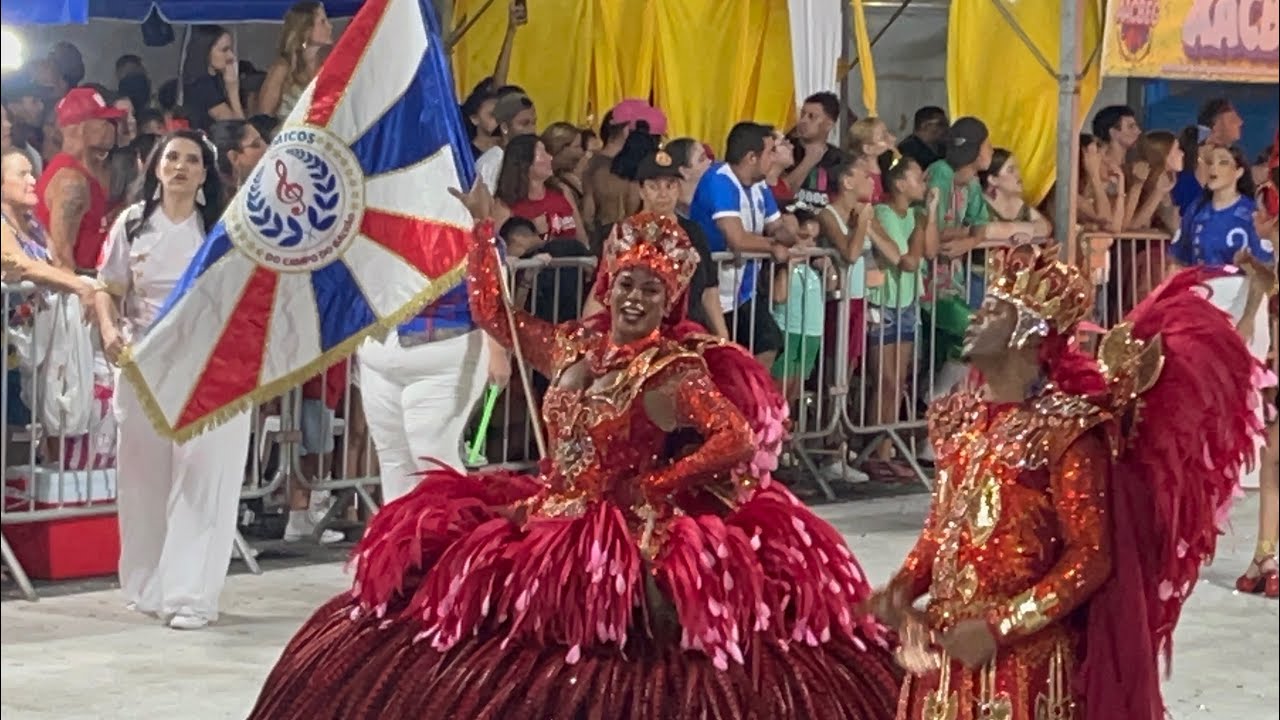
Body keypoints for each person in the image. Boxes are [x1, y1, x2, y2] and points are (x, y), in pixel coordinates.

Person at [247, 190, 902, 719]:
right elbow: (495, 313)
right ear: (609, 285)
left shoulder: (672, 373)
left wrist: (661, 485)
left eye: (652, 288)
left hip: (622, 528)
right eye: (628, 283)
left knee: (617, 639)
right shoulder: (570, 348)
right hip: (546, 508)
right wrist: (482, 238)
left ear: (669, 300)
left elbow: (734, 437)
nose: (636, 296)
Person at [867, 244, 1265, 719]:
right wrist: (903, 588)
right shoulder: (958, 417)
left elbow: (1091, 558)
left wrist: (1001, 626)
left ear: (1029, 334)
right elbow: (942, 527)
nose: (974, 316)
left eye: (993, 310)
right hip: (949, 657)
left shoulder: (1067, 431)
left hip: (1022, 664)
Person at [92, 130, 251, 631]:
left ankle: (192, 595)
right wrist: (109, 328)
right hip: (144, 365)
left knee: (203, 477)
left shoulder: (224, 228)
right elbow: (105, 286)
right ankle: (147, 582)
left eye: (192, 160)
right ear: (155, 166)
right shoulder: (132, 223)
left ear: (206, 173)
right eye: (172, 157)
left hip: (210, 366)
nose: (180, 167)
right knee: (144, 478)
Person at [582, 149, 727, 337]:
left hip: (689, 333)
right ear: (641, 190)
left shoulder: (694, 233)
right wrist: (587, 335)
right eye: (654, 186)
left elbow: (710, 292)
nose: (663, 194)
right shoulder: (622, 233)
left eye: (670, 185)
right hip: (635, 333)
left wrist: (724, 341)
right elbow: (600, 290)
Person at [689, 122, 795, 366]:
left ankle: (752, 399)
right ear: (751, 157)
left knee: (768, 343)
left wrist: (786, 234)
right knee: (720, 362)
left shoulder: (759, 185)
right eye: (770, 151)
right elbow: (736, 239)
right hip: (711, 293)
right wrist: (773, 246)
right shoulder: (719, 180)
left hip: (743, 294)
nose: (775, 157)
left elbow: (779, 227)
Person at [35, 87, 124, 272]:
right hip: (77, 285)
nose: (112, 128)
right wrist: (81, 293)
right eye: (106, 121)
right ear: (82, 127)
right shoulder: (71, 180)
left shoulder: (82, 174)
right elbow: (61, 256)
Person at [258, 1, 334, 120]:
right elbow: (263, 115)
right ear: (306, 30)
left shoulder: (328, 63)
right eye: (322, 22)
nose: (330, 26)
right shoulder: (283, 68)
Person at [781, 91, 844, 208]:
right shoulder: (785, 150)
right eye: (802, 115)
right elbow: (779, 194)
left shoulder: (840, 160)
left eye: (811, 117)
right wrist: (808, 162)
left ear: (829, 125)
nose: (803, 121)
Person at [180, 25, 245, 130]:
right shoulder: (202, 86)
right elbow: (236, 130)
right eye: (224, 50)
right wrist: (233, 90)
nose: (231, 56)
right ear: (206, 51)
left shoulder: (216, 78)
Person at [897, 106, 948, 172]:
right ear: (924, 125)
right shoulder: (907, 149)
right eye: (941, 124)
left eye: (946, 124)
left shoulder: (943, 147)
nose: (946, 128)